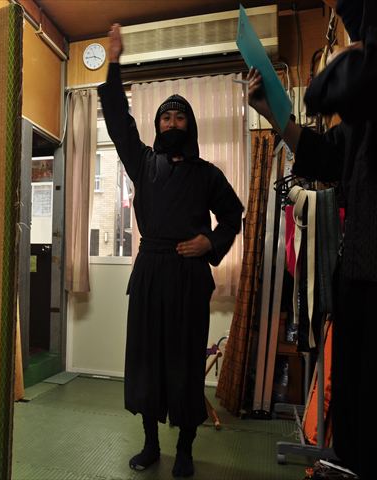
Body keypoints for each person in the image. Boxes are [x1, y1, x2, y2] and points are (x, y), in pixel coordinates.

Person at [98, 24, 244, 477]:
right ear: (158, 125)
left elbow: (234, 216)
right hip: (149, 273)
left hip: (188, 276)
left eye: (180, 117)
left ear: (190, 126)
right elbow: (118, 119)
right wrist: (114, 62)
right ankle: (149, 444)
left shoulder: (208, 174)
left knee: (184, 364)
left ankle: (184, 448)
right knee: (146, 360)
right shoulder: (143, 163)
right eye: (166, 117)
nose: (172, 123)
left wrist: (210, 242)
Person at [246, 1, 375, 477]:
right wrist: (271, 112)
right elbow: (323, 154)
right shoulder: (359, 122)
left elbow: (330, 89)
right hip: (357, 279)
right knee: (355, 419)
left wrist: (350, 66)